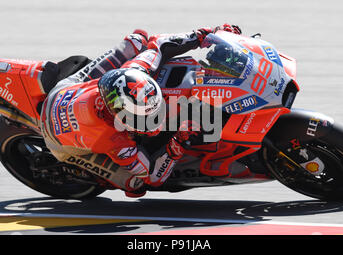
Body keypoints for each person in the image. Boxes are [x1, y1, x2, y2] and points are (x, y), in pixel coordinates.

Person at [40, 24, 242, 197]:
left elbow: (159, 44)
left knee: (138, 40)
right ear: (120, 118)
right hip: (57, 139)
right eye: (145, 117)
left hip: (67, 89)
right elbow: (153, 176)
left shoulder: (136, 70)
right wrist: (179, 140)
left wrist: (204, 35)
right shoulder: (115, 142)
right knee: (135, 185)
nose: (155, 119)